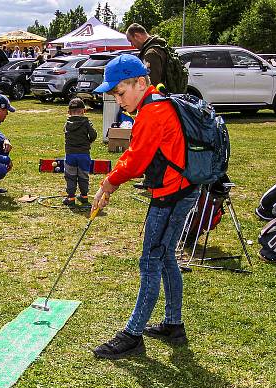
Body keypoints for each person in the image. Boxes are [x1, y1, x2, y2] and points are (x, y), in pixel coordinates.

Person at [89, 55, 201, 358]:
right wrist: (110, 180)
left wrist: (108, 183)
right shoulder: (157, 103)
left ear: (141, 83)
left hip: (172, 194)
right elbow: (137, 154)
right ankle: (173, 324)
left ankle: (132, 334)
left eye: (120, 92)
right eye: (113, 94)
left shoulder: (153, 112)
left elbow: (136, 160)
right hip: (184, 189)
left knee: (151, 260)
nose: (118, 99)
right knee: (165, 257)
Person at [62, 98, 98, 207]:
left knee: (70, 176)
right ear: (83, 111)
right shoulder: (86, 123)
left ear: (68, 112)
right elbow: (93, 135)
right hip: (84, 154)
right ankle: (84, 196)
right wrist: (88, 142)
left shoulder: (67, 124)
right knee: (83, 175)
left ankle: (71, 197)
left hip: (70, 155)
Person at [125, 23, 170, 90]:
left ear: (137, 36)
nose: (132, 45)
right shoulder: (160, 46)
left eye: (131, 41)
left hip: (157, 97)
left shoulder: (151, 53)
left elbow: (152, 84)